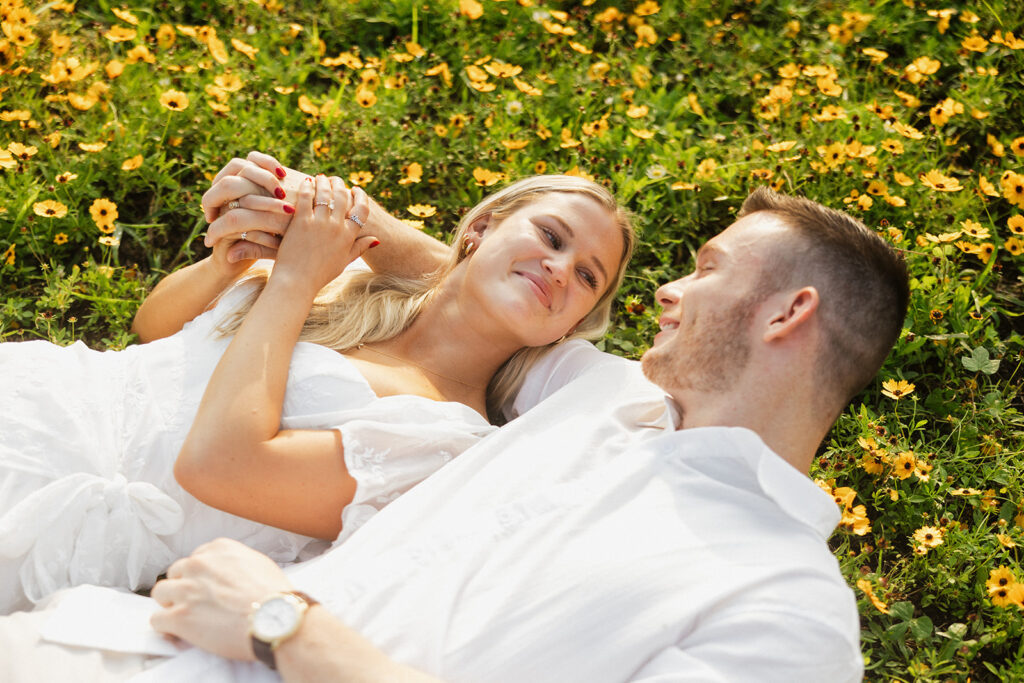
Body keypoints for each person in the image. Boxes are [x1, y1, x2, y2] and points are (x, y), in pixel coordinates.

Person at [0, 185, 909, 682]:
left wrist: (285, 625)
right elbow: (490, 296)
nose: (666, 293)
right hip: (108, 642)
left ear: (789, 312)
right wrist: (323, 213)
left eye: (707, 270)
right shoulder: (604, 399)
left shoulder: (789, 609)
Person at [0, 169, 635, 614]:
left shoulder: (447, 445)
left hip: (46, 507)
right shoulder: (352, 279)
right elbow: (154, 333)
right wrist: (230, 260)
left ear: (570, 327)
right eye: (551, 237)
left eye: (585, 276)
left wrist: (296, 276)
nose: (558, 267)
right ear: (480, 230)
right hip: (41, 386)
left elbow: (217, 465)